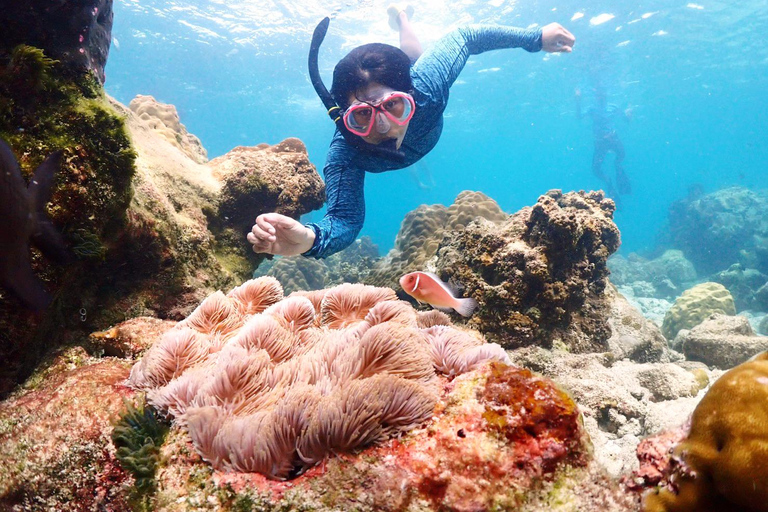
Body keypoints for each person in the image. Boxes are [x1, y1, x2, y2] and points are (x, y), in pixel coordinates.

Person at [248, 5, 575, 258]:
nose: (383, 127)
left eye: (394, 106)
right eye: (362, 115)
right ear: (345, 119)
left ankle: (403, 14)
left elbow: (465, 35)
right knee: (411, 59)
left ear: (411, 98)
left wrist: (534, 38)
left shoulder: (427, 87)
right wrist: (309, 240)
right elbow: (345, 221)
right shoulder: (345, 153)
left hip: (418, 85)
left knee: (414, 57)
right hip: (418, 131)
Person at [575, 82, 632, 198]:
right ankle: (609, 183)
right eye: (598, 95)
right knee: (596, 169)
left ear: (606, 95)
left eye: (602, 94)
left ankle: (618, 171)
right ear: (596, 96)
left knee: (621, 156)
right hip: (601, 142)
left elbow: (626, 119)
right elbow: (579, 116)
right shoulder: (592, 109)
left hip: (613, 138)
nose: (601, 97)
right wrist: (578, 100)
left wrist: (629, 113)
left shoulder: (613, 107)